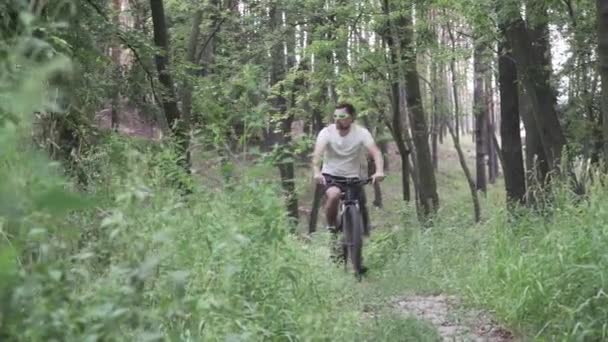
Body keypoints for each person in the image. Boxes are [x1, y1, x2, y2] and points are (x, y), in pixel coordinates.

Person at [311, 102, 385, 263]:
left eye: (342, 116)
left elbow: (376, 153)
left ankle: (357, 246)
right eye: (335, 116)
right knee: (334, 195)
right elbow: (317, 155)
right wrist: (316, 172)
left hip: (353, 177)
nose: (338, 120)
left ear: (351, 118)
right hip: (331, 175)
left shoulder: (361, 133)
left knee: (358, 207)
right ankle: (332, 229)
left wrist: (379, 171)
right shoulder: (327, 132)